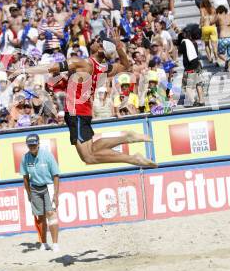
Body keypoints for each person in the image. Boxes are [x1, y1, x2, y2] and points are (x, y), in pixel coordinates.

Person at [18, 29, 157, 168]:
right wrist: (119, 47)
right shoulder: (103, 68)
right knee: (93, 149)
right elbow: (126, 66)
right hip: (83, 112)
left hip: (76, 113)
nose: (95, 41)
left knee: (88, 157)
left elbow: (50, 67)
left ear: (100, 50)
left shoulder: (81, 63)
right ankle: (127, 138)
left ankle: (132, 159)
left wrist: (23, 70)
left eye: (98, 41)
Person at [20, 133, 60, 252]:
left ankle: (55, 244)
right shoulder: (25, 158)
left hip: (48, 186)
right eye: (30, 145)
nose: (32, 147)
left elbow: (56, 175)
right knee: (40, 217)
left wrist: (56, 194)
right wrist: (28, 193)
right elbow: (25, 177)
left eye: (34, 144)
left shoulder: (47, 155)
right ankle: (44, 243)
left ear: (38, 144)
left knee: (51, 214)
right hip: (35, 188)